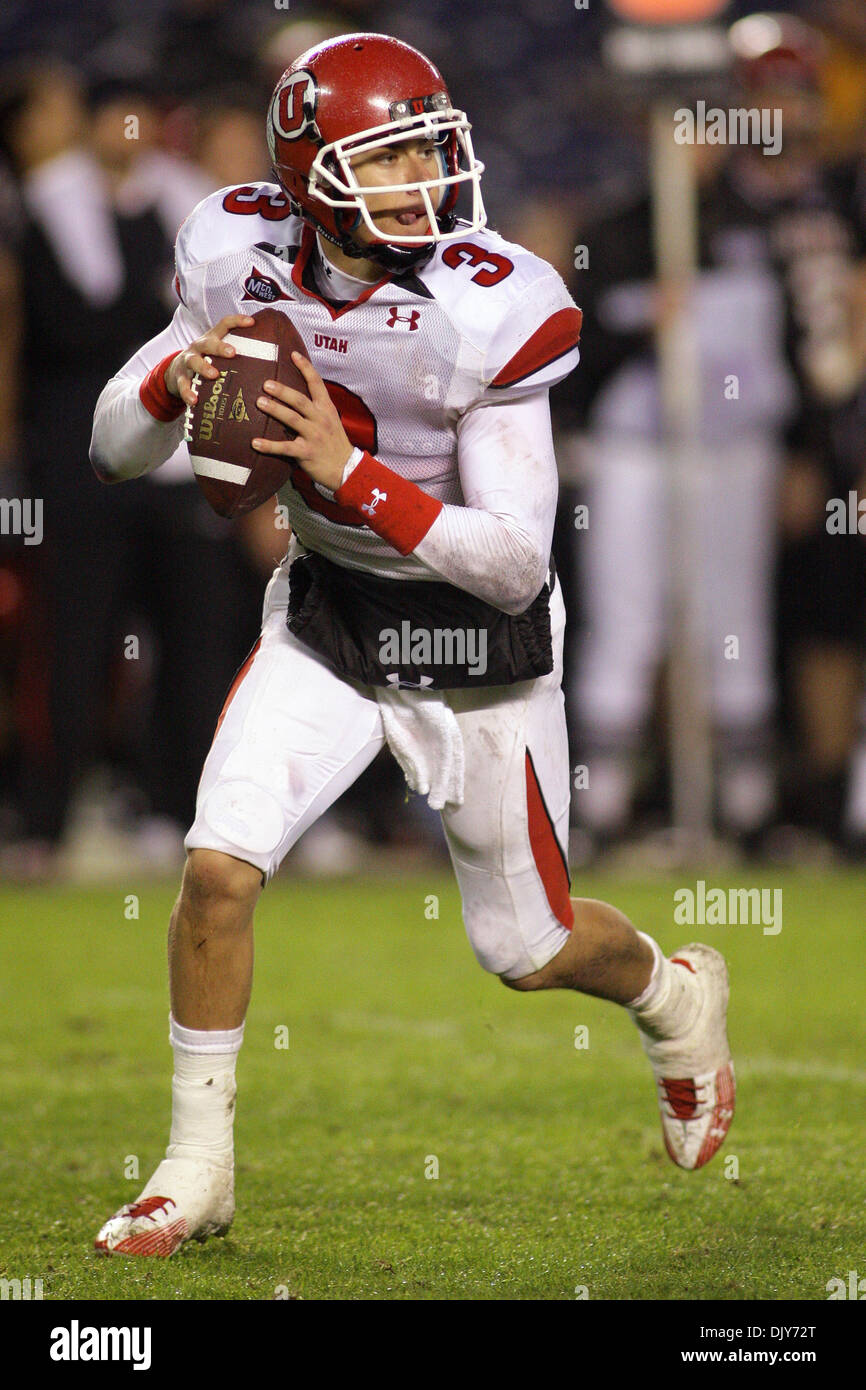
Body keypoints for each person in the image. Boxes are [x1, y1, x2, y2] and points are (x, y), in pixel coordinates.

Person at [89, 33, 734, 1257]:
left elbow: (513, 558)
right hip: (331, 608)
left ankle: (674, 992)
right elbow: (111, 448)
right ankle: (196, 1168)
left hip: (473, 630)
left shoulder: (491, 300)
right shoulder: (235, 249)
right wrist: (182, 374)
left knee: (528, 947)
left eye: (432, 149)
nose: (427, 180)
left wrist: (347, 470)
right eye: (390, 158)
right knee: (218, 867)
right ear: (308, 172)